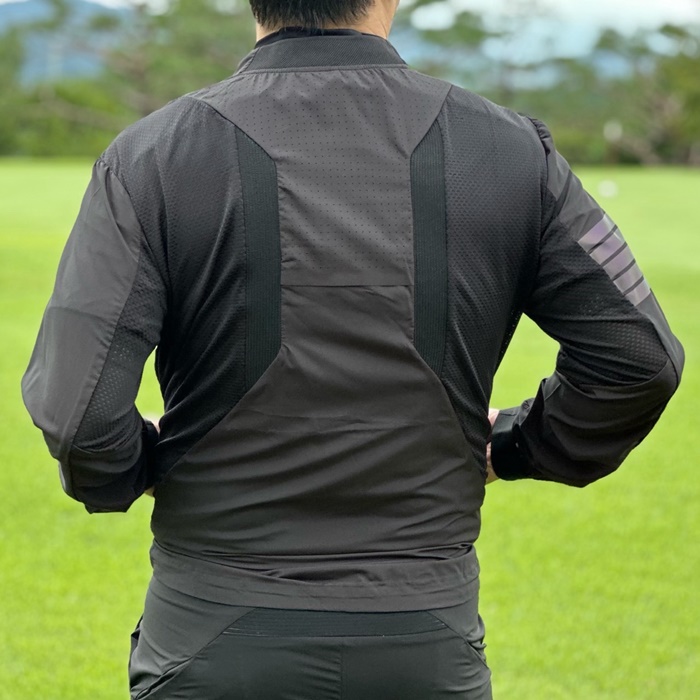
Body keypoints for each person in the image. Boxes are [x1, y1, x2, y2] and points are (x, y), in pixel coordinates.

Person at [21, 0, 684, 698]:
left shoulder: (151, 156)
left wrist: (139, 467)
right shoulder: (510, 151)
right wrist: (514, 446)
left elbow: (80, 410)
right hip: (424, 641)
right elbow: (639, 359)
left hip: (211, 636)